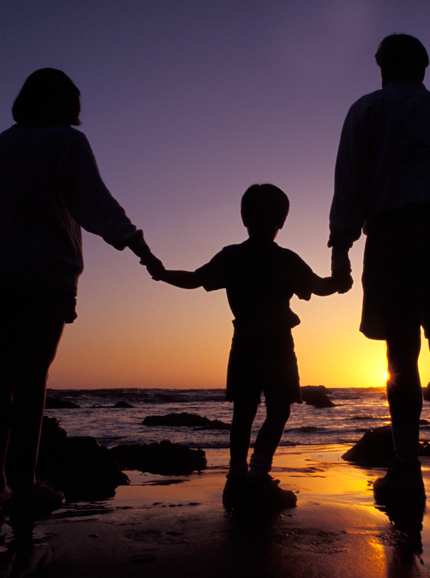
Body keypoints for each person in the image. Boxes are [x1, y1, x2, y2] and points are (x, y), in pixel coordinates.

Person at [328, 34, 430, 505]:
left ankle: (404, 465)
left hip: (392, 235)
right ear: (424, 66)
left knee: (400, 356)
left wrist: (341, 245)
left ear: (381, 66)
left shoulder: (366, 110)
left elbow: (350, 182)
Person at [0, 68, 163, 510]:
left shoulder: (3, 143)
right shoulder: (67, 142)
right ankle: (22, 483)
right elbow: (94, 204)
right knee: (31, 381)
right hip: (44, 278)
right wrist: (141, 247)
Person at [150, 184, 350, 510]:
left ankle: (236, 480)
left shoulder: (233, 256)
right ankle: (256, 476)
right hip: (277, 344)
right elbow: (319, 286)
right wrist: (339, 282)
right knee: (278, 410)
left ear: (244, 217)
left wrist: (162, 274)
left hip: (243, 342)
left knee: (243, 412)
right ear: (281, 221)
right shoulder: (285, 259)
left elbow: (195, 279)